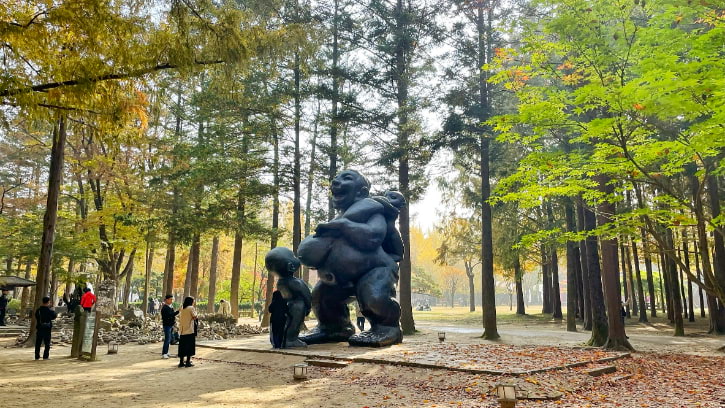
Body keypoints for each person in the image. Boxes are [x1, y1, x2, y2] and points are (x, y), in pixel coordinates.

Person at [177, 296, 198, 367]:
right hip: (189, 330)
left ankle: (181, 362)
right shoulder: (191, 308)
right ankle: (188, 362)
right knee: (189, 346)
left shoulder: (182, 308)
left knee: (182, 346)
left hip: (182, 330)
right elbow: (195, 316)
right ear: (191, 302)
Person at [160, 295, 178, 359]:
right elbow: (170, 315)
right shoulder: (165, 308)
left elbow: (172, 315)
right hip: (167, 325)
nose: (171, 301)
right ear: (166, 300)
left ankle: (166, 352)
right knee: (167, 339)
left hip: (170, 325)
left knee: (169, 339)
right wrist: (178, 311)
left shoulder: (170, 307)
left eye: (172, 299)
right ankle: (164, 353)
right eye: (170, 299)